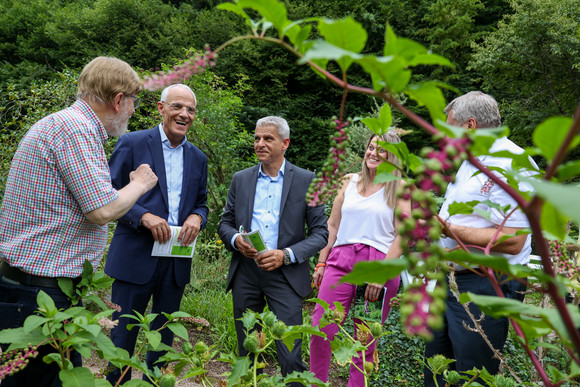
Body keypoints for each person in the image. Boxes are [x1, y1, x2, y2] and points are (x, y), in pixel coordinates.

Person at [0, 56, 158, 386]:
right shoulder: (76, 130)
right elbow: (101, 210)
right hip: (39, 295)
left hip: (33, 288)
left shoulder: (62, 125)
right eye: (133, 103)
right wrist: (140, 183)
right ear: (118, 100)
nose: (132, 112)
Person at [424, 91, 539, 386]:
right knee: (435, 371)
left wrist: (448, 230)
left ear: (470, 125)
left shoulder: (513, 163)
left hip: (487, 283)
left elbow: (514, 239)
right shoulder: (469, 163)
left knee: (472, 376)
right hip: (451, 280)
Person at [105, 84, 208, 384]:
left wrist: (196, 217)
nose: (184, 114)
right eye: (177, 106)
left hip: (175, 259)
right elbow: (107, 194)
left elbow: (201, 204)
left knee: (163, 343)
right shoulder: (132, 143)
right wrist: (143, 216)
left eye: (190, 109)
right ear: (161, 109)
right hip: (134, 255)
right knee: (121, 337)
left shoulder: (198, 158)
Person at [217, 116, 328, 384]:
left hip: (286, 275)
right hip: (246, 273)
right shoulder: (240, 179)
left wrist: (285, 255)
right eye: (257, 138)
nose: (260, 143)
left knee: (290, 354)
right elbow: (225, 223)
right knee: (248, 350)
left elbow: (321, 233)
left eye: (268, 138)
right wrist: (235, 241)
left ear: (285, 143)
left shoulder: (307, 180)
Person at [310, 131, 411, 386]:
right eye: (371, 147)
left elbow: (404, 234)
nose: (373, 153)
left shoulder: (401, 188)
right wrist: (321, 262)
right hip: (340, 261)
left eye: (381, 150)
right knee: (322, 329)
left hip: (377, 264)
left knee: (364, 341)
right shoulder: (349, 181)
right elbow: (332, 226)